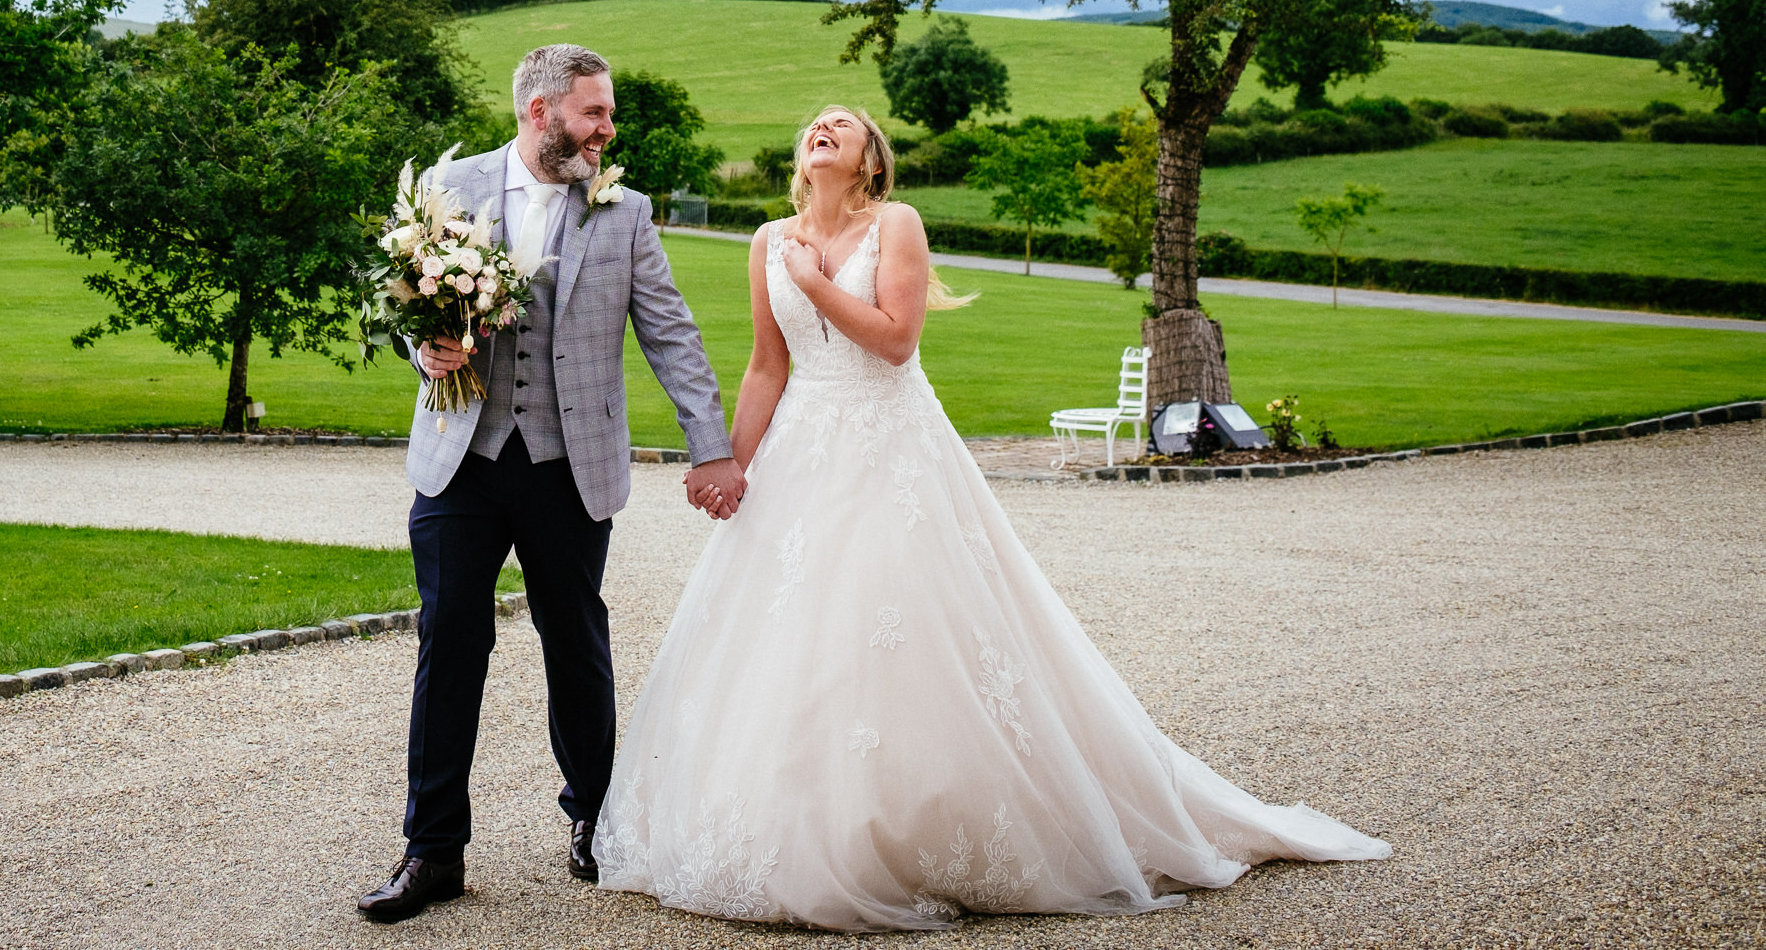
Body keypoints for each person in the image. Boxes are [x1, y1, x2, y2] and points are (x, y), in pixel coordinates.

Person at [595, 104, 1390, 929]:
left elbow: (897, 341)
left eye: (846, 122)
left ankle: (924, 830)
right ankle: (792, 824)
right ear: (803, 155)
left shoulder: (894, 222)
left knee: (901, 620)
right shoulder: (766, 240)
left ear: (871, 159)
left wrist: (815, 281)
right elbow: (767, 365)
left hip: (892, 449)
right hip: (803, 446)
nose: (824, 126)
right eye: (815, 122)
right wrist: (731, 463)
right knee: (790, 635)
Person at [356, 43, 747, 925]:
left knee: (574, 641)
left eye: (608, 115)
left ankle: (597, 823)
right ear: (541, 113)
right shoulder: (447, 189)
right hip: (462, 455)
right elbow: (397, 304)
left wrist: (709, 446)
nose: (608, 130)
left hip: (571, 463)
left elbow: (672, 336)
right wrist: (422, 346)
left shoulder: (626, 211)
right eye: (594, 114)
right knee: (448, 640)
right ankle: (433, 851)